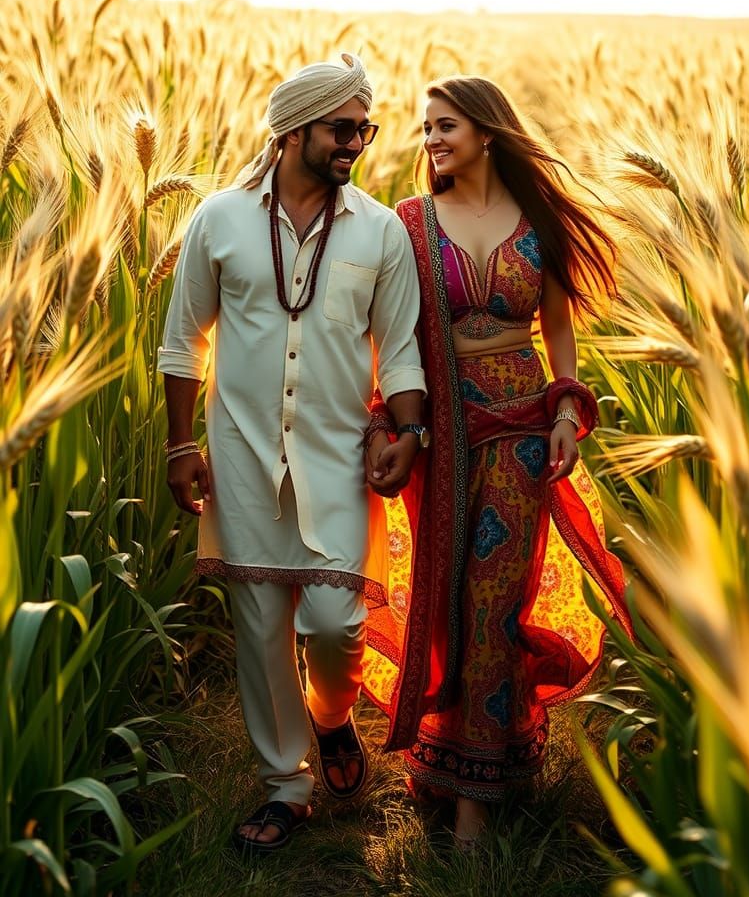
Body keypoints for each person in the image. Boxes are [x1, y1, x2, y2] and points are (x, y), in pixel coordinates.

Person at [157, 53, 427, 854]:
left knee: (338, 622)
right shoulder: (218, 219)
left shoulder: (380, 231)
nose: (357, 143)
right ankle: (286, 787)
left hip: (338, 456)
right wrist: (180, 446)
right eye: (343, 129)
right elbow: (183, 342)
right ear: (292, 130)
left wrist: (409, 434)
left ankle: (334, 715)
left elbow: (402, 350)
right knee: (261, 625)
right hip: (240, 456)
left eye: (365, 129)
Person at [362, 76, 632, 849]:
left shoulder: (536, 225)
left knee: (492, 600)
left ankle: (476, 800)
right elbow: (389, 334)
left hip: (519, 428)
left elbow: (558, 332)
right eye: (426, 128)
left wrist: (568, 412)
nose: (431, 139)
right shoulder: (410, 225)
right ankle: (446, 761)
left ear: (487, 132)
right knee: (444, 601)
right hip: (440, 431)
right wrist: (388, 421)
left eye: (445, 125)